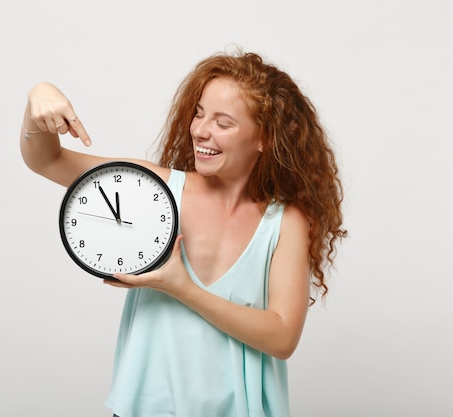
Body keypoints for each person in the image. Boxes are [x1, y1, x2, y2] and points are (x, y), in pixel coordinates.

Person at [20, 49, 346, 417]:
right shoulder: (154, 188)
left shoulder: (285, 221)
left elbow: (283, 337)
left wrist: (181, 286)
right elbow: (46, 160)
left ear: (264, 139)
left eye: (224, 123)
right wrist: (39, 96)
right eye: (200, 113)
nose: (201, 130)